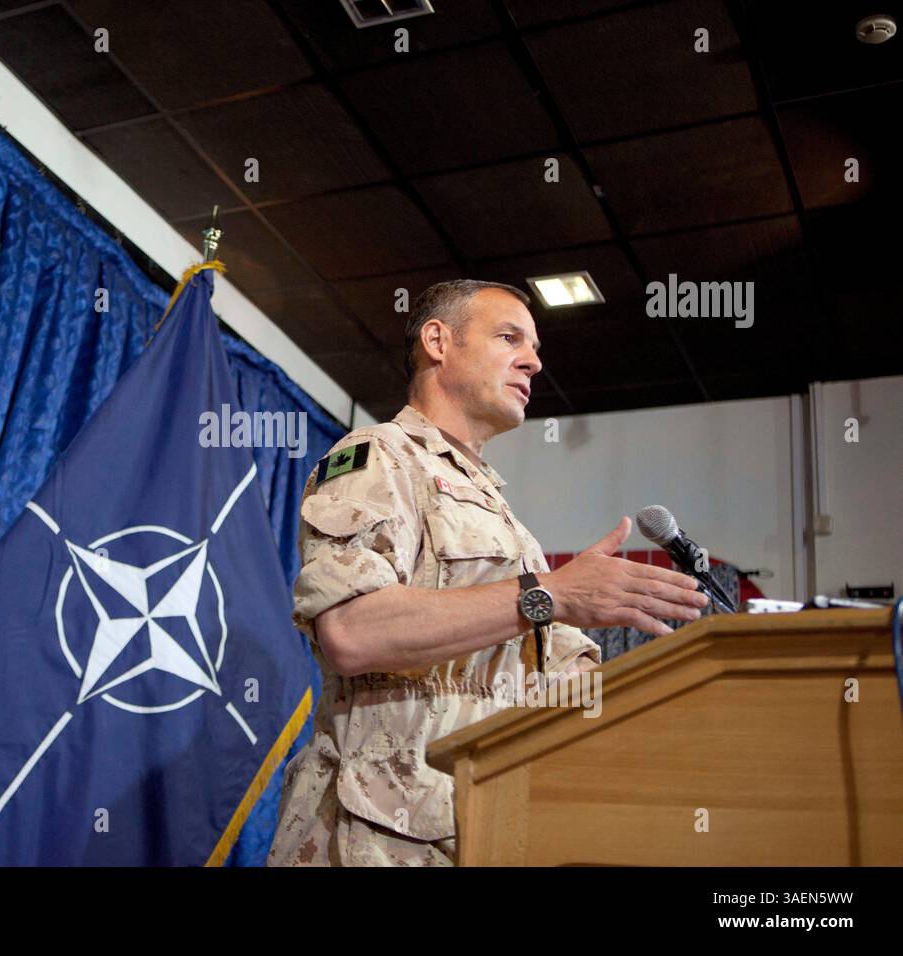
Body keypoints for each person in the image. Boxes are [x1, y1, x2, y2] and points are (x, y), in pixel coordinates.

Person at [266, 280, 710, 866]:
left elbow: (547, 675)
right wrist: (548, 593)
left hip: (484, 826)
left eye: (535, 347)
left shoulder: (498, 510)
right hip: (379, 839)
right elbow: (352, 632)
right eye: (510, 338)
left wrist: (685, 693)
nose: (534, 361)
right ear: (437, 342)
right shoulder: (378, 457)